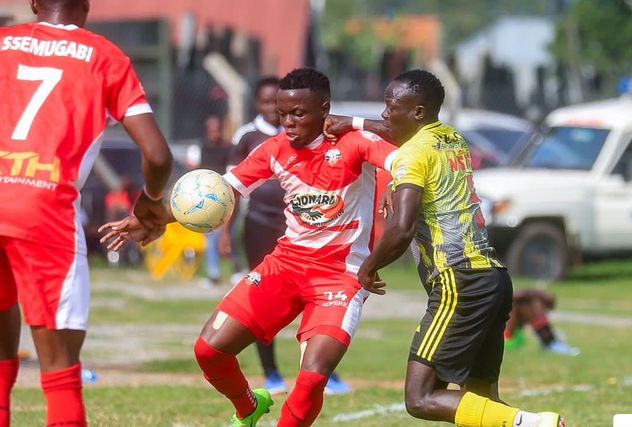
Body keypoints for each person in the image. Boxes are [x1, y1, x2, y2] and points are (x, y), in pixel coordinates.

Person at [101, 67, 398, 426]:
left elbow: (407, 151)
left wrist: (395, 182)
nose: (287, 122)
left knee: (313, 376)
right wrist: (152, 218)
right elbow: (219, 193)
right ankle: (248, 407)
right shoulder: (275, 149)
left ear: (324, 110)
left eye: (298, 114)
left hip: (339, 276)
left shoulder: (355, 142)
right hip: (286, 265)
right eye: (282, 113)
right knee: (209, 350)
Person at [325, 69, 564, 427]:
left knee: (420, 398)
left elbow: (401, 229)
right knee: (482, 403)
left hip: (458, 281)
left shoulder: (412, 155)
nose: (385, 113)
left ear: (418, 112)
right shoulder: (453, 138)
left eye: (392, 106)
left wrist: (368, 267)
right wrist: (353, 123)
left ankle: (535, 424)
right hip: (493, 280)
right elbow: (395, 132)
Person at [0, 1, 173, 427]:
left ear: (34, 3)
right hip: (43, 208)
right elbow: (156, 154)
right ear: (87, 5)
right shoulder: (104, 56)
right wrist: (150, 201)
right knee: (59, 368)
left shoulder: (2, 43)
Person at [228, 76, 350, 396]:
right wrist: (227, 231)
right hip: (260, 225)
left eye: (280, 104)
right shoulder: (249, 136)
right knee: (263, 301)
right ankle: (271, 373)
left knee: (316, 296)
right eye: (269, 104)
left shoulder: (322, 135)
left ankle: (321, 369)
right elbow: (228, 190)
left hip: (304, 228)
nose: (275, 111)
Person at [199, 115, 242, 286]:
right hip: (208, 197)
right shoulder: (204, 148)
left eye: (216, 130)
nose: (214, 133)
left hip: (227, 195)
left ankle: (236, 269)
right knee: (211, 236)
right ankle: (214, 273)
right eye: (211, 130)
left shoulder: (230, 148)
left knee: (230, 234)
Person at [505, 290, 579, 356]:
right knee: (527, 303)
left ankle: (550, 341)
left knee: (530, 303)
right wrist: (539, 294)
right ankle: (549, 342)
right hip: (503, 338)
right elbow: (513, 296)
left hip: (512, 335)